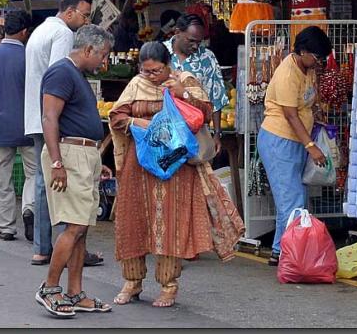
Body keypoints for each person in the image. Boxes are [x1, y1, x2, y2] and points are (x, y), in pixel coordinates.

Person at [108, 42, 243, 308]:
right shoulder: (135, 85)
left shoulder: (184, 81)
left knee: (171, 224)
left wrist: (183, 94)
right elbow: (117, 117)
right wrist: (140, 123)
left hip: (176, 167)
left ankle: (169, 285)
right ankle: (132, 281)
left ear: (168, 65)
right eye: (146, 72)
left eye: (156, 71)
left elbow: (204, 112)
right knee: (134, 221)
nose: (151, 77)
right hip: (141, 165)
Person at [35, 25, 114, 318]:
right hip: (69, 155)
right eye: (102, 56)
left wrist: (94, 159)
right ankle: (50, 288)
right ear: (88, 50)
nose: (103, 63)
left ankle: (75, 292)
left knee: (82, 228)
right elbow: (49, 117)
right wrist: (58, 162)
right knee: (75, 227)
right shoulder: (62, 72)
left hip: (82, 154)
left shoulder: (74, 75)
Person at [24, 0, 101, 267]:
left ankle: (44, 247)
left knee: (45, 184)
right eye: (84, 15)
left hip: (39, 116)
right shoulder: (63, 35)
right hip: (55, 123)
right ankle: (62, 247)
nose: (85, 22)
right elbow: (61, 75)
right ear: (69, 12)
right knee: (58, 186)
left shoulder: (41, 30)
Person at [259, 25, 331, 266]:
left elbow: (308, 101)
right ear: (302, 51)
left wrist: (318, 113)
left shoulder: (307, 68)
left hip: (296, 139)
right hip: (280, 140)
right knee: (290, 200)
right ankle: (287, 253)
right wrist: (311, 145)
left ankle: (282, 251)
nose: (319, 62)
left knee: (296, 197)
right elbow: (291, 115)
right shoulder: (288, 73)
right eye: (317, 57)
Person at [0, 10, 38, 242]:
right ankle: (29, 208)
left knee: (1, 177)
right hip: (29, 126)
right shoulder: (31, 57)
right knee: (34, 173)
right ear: (24, 32)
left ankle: (6, 227)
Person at [163, 14, 227, 156]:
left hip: (197, 132)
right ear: (177, 33)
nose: (195, 46)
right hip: (164, 130)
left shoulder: (207, 57)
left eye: (199, 42)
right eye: (191, 41)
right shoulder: (160, 52)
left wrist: (217, 133)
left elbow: (216, 96)